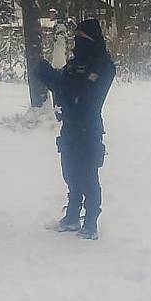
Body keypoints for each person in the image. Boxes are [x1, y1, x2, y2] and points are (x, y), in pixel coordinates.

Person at [36, 18, 116, 240]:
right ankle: (72, 216)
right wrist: (47, 75)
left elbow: (84, 92)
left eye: (82, 38)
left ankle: (91, 221)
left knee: (88, 174)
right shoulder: (74, 63)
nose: (77, 42)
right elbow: (63, 88)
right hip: (70, 126)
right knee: (70, 172)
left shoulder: (103, 65)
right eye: (76, 37)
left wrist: (60, 83)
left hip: (88, 127)